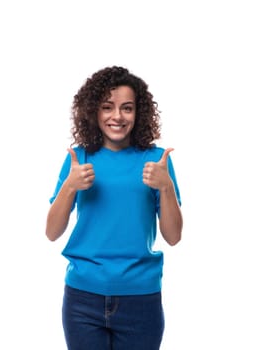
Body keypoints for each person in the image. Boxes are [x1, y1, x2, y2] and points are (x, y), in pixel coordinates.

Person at [45, 66, 183, 350]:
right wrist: (69, 187)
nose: (117, 116)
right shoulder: (78, 158)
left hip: (141, 299)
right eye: (107, 107)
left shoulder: (157, 161)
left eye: (127, 108)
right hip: (83, 299)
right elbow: (52, 232)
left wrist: (166, 187)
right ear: (93, 112)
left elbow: (173, 236)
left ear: (139, 113)